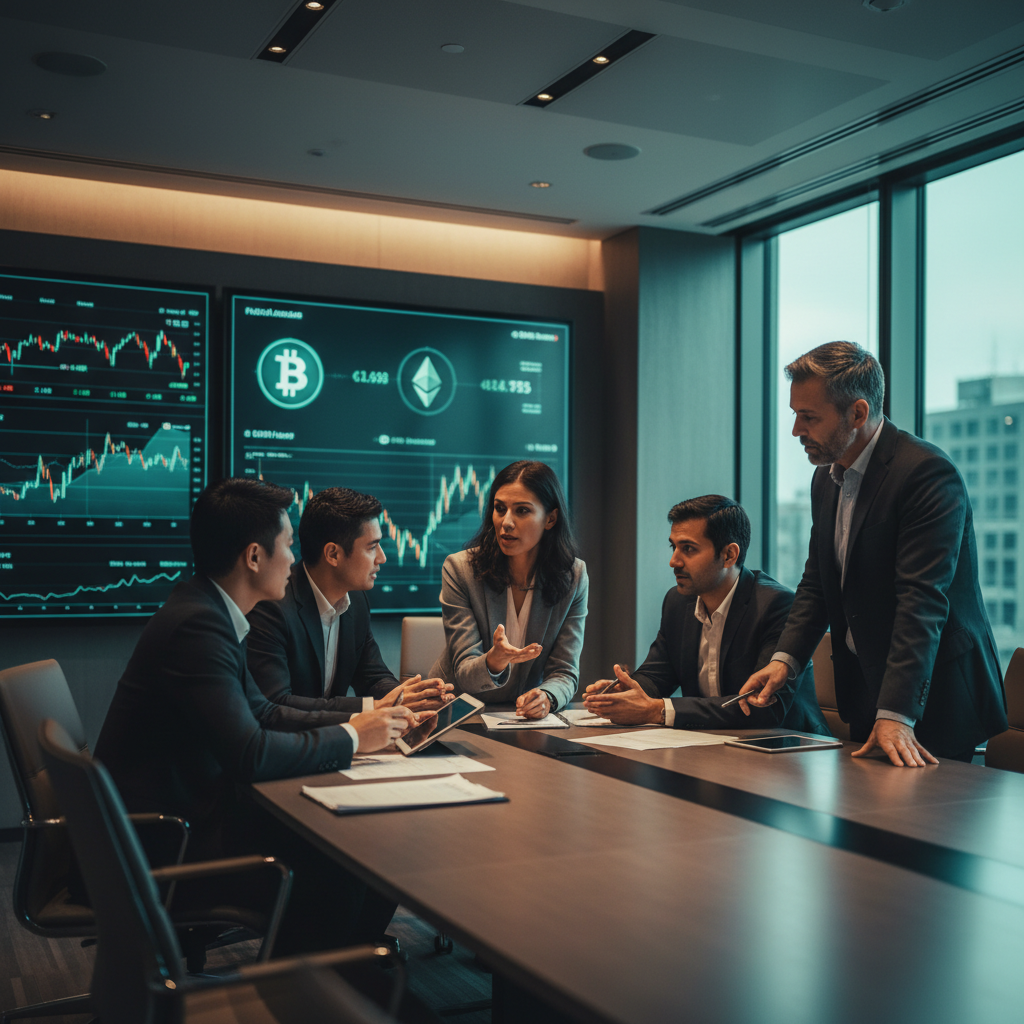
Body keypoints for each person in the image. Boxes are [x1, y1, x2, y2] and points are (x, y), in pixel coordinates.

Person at [95, 478, 416, 953]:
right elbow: (250, 753)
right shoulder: (199, 626)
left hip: (179, 818)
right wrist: (352, 738)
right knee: (345, 862)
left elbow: (262, 711)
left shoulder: (206, 610)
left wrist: (361, 725)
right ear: (253, 557)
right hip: (165, 843)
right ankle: (308, 991)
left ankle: (335, 978)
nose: (293, 558)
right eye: (287, 545)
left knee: (353, 852)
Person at [741, 341, 1007, 766]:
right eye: (795, 414)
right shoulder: (825, 480)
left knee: (922, 826)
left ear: (858, 413)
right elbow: (817, 582)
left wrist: (899, 714)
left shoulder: (925, 474)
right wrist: (785, 661)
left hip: (933, 700)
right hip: (869, 691)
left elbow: (921, 602)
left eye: (808, 417)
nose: (795, 430)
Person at [582, 496, 829, 734]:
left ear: (729, 555)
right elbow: (657, 675)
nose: (673, 561)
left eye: (688, 549)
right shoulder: (677, 602)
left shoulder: (777, 605)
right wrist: (627, 691)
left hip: (789, 751)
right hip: (712, 745)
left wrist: (657, 710)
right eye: (674, 547)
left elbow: (763, 708)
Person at [247, 486, 453, 714]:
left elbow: (373, 676)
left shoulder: (356, 599)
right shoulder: (272, 606)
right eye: (372, 547)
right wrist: (373, 708)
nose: (382, 558)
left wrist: (405, 699)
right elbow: (277, 703)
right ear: (333, 554)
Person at [430, 460, 588, 718]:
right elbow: (464, 673)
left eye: (522, 511)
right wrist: (496, 659)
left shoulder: (574, 576)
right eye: (499, 509)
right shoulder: (460, 569)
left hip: (520, 716)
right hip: (456, 710)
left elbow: (565, 671)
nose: (506, 522)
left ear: (550, 519)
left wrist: (546, 697)